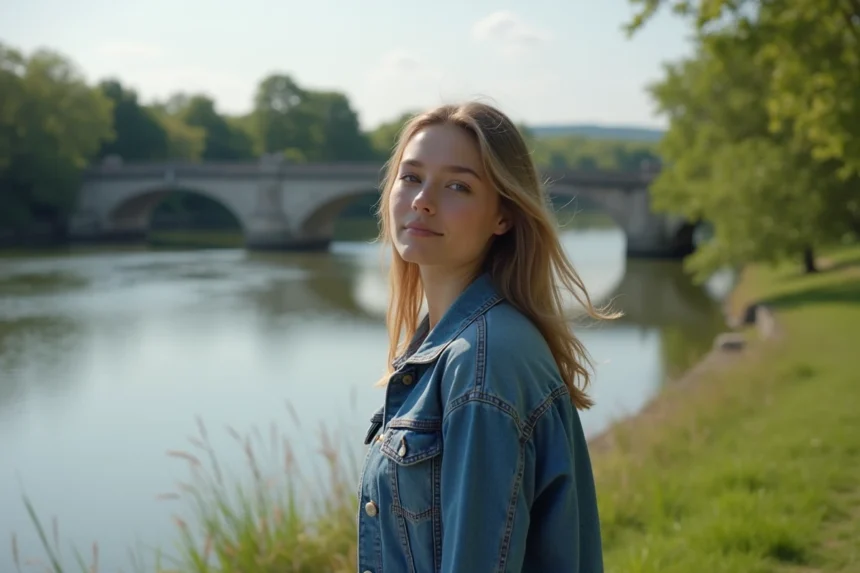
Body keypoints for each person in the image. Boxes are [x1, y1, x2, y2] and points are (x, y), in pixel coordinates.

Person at [357, 101, 617, 573]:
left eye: (457, 186)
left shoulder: (480, 365)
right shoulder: (461, 344)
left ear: (504, 216)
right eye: (411, 177)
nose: (423, 200)